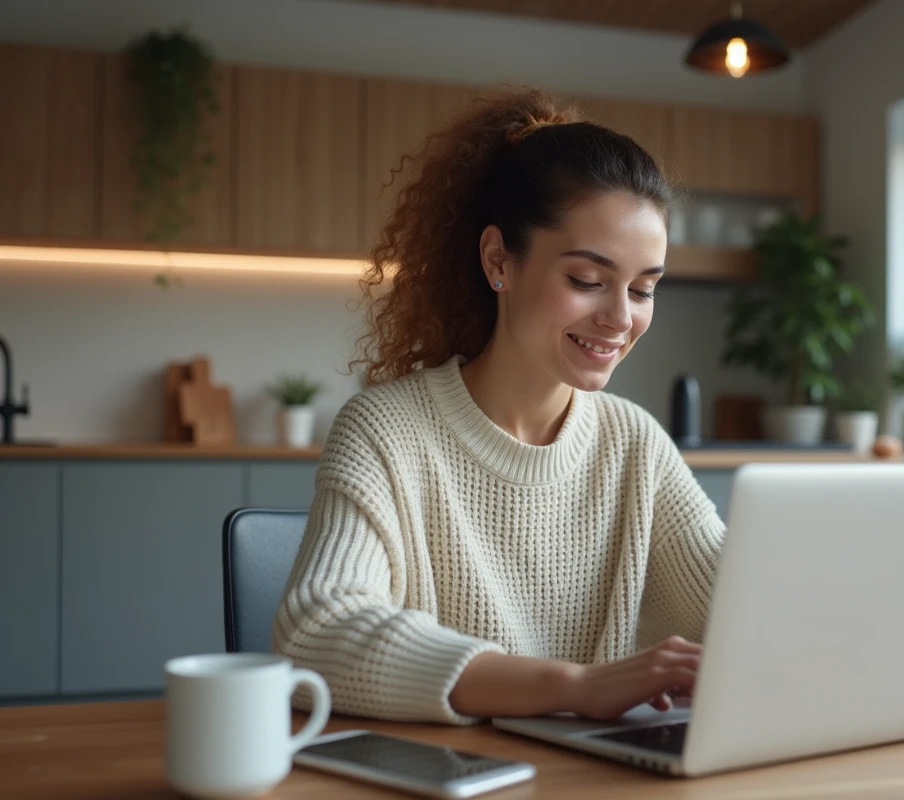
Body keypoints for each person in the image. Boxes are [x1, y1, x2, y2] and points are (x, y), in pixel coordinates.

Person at [273, 85, 725, 726]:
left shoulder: (636, 444)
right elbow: (315, 635)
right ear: (498, 261)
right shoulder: (388, 432)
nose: (621, 318)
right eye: (587, 281)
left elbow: (744, 612)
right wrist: (575, 686)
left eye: (644, 289)